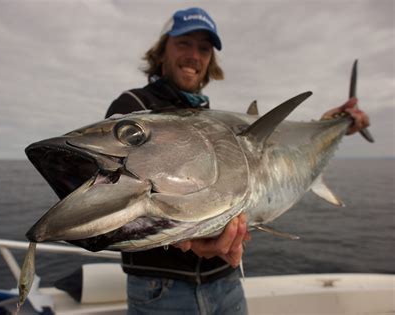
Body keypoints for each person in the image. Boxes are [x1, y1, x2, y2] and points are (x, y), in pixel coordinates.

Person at [105, 7, 370, 315]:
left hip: (226, 282)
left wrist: (332, 123)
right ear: (162, 50)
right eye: (183, 43)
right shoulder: (132, 110)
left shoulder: (211, 121)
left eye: (204, 49)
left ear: (210, 61)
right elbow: (114, 200)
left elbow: (271, 160)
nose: (194, 55)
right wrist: (185, 239)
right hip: (161, 290)